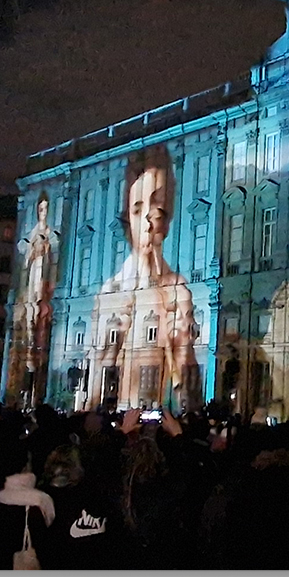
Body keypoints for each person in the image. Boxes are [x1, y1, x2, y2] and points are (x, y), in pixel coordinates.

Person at [90, 145, 199, 410]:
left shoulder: (180, 291)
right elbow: (96, 373)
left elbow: (185, 379)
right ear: (127, 217)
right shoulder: (109, 292)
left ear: (167, 219)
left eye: (158, 210)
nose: (148, 222)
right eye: (138, 210)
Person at [10, 193, 59, 405]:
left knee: (40, 310)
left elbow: (53, 256)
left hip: (44, 276)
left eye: (46, 209)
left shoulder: (50, 233)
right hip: (33, 274)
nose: (43, 212)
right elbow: (24, 258)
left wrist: (45, 248)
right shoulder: (32, 232)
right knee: (29, 311)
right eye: (40, 208)